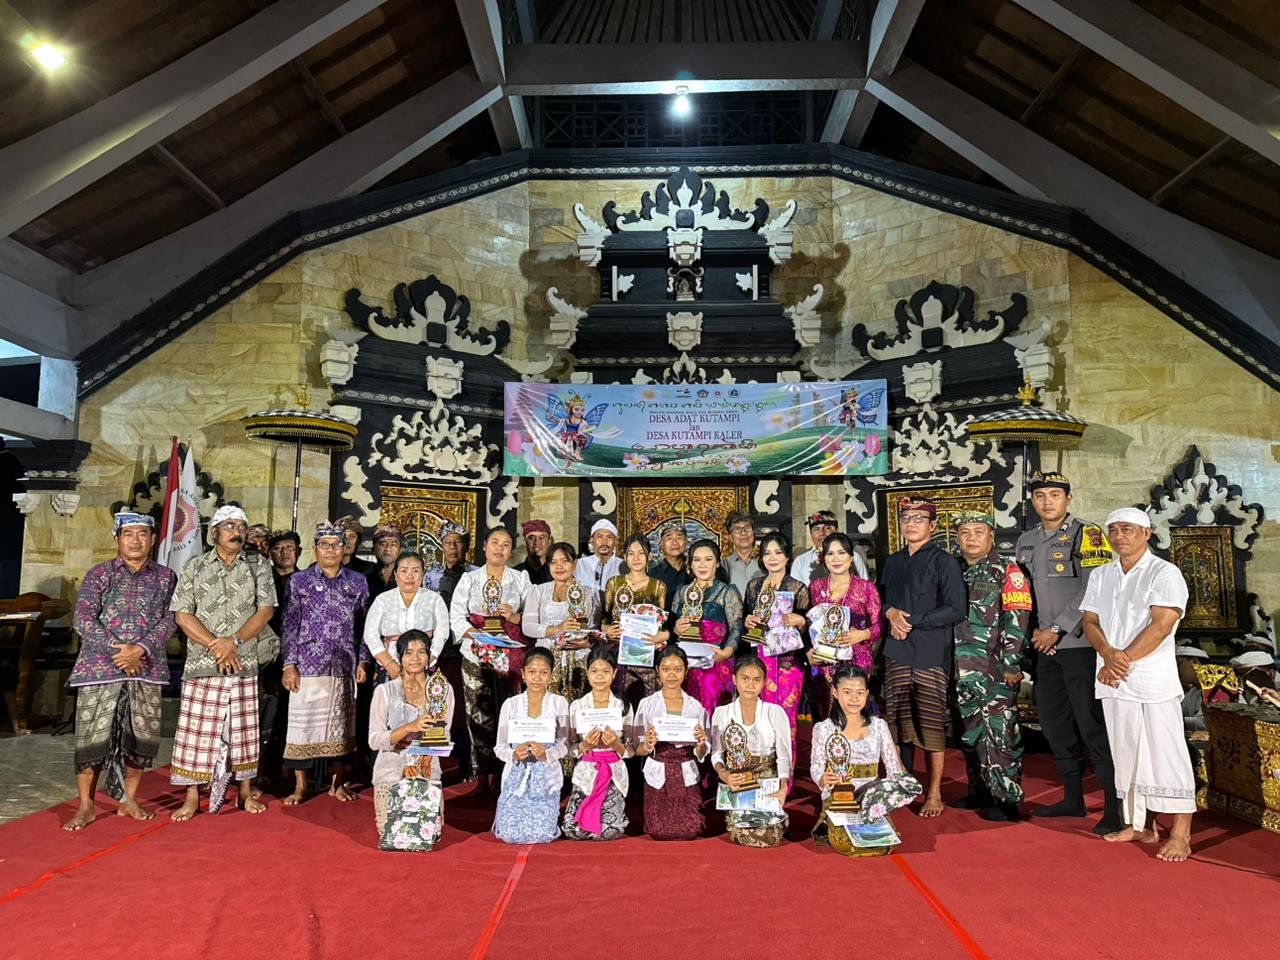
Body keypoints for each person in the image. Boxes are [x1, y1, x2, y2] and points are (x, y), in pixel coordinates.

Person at [1082, 507, 1196, 862]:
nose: (1119, 535)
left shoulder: (1165, 572)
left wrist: (1120, 660)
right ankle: (1141, 825)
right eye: (1113, 529)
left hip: (1151, 680)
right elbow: (1090, 620)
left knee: (1167, 753)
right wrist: (1107, 654)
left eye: (1127, 529)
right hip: (1113, 680)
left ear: (1146, 533)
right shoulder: (1101, 574)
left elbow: (1161, 625)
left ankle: (1181, 834)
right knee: (1126, 753)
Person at [1015, 471, 1120, 833]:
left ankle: (1114, 807)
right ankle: (1072, 798)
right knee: (1055, 723)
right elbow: (1023, 591)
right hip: (1044, 648)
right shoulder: (1026, 540)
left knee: (1092, 724)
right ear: (1033, 501)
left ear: (1068, 499)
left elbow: (1095, 587)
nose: (1047, 502)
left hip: (1080, 645)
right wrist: (1033, 633)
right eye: (1040, 495)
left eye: (1055, 495)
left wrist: (1057, 629)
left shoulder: (1087, 534)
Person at [64, 512, 177, 831]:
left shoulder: (166, 577)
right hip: (99, 669)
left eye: (143, 534)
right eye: (128, 534)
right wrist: (120, 651)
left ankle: (129, 800)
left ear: (153, 540)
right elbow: (83, 618)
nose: (136, 540)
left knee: (140, 740)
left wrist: (140, 649)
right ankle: (86, 806)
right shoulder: (100, 573)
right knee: (91, 741)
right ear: (117, 539)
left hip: (145, 668)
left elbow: (172, 618)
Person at [169, 505, 276, 820]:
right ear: (213, 532)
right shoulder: (195, 566)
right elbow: (182, 614)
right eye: (229, 526)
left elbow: (265, 610)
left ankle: (244, 793)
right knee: (197, 733)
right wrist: (217, 645)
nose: (236, 532)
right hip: (203, 662)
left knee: (244, 731)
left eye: (241, 527)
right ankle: (192, 797)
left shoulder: (258, 565)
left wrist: (235, 643)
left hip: (243, 661)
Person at [880, 498, 965, 818]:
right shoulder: (893, 561)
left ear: (932, 525)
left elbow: (956, 608)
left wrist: (912, 621)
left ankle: (934, 792)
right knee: (896, 722)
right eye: (906, 518)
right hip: (897, 650)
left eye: (919, 518)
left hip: (930, 651)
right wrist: (890, 612)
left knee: (931, 724)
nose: (911, 523)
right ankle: (900, 785)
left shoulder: (945, 562)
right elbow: (880, 598)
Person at [280, 521, 370, 805]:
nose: (330, 550)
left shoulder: (357, 581)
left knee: (341, 727)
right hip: (307, 664)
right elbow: (289, 625)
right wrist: (289, 664)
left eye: (336, 544)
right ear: (315, 548)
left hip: (344, 664)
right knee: (303, 726)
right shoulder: (300, 581)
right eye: (324, 545)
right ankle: (300, 786)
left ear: (344, 548)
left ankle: (337, 784)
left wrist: (363, 660)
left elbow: (364, 626)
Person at [952, 511, 1031, 822]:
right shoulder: (953, 569)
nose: (971, 538)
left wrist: (1012, 664)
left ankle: (1007, 799)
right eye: (965, 532)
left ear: (991, 536)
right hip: (959, 668)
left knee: (999, 734)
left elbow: (1017, 621)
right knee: (969, 733)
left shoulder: (1008, 572)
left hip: (994, 669)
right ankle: (981, 791)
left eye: (978, 531)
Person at [450, 526, 531, 794]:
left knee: (508, 713)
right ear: (484, 546)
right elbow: (456, 615)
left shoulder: (520, 579)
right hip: (476, 653)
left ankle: (507, 773)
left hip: (510, 656)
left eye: (506, 544)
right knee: (478, 713)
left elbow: (533, 615)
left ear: (511, 550)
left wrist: (515, 617)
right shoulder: (470, 579)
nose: (500, 548)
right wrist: (477, 635)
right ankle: (482, 775)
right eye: (495, 542)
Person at [810, 665, 922, 855]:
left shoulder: (879, 726)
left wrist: (895, 789)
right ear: (835, 692)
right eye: (847, 692)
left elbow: (894, 769)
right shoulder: (823, 729)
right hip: (838, 799)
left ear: (867, 694)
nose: (854, 698)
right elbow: (816, 766)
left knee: (880, 844)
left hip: (873, 799)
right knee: (850, 845)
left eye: (860, 693)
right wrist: (822, 778)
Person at [368, 630, 455, 841]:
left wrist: (426, 744)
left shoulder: (442, 690)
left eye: (421, 652)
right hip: (391, 769)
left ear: (429, 656)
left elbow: (444, 735)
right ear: (399, 657)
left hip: (426, 769)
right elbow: (374, 740)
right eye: (408, 653)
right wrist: (409, 728)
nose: (415, 658)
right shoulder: (385, 691)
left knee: (427, 837)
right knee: (393, 835)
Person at [711, 654, 792, 847]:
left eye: (756, 680)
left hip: (767, 780)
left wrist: (783, 787)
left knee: (771, 838)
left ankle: (778, 817)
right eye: (745, 678)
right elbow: (716, 753)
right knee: (744, 833)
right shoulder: (722, 713)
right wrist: (724, 774)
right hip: (738, 781)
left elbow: (783, 756)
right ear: (734, 679)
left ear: (764, 683)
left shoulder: (775, 712)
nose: (750, 685)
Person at [741, 533, 809, 763]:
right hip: (759, 661)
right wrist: (748, 621)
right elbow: (745, 622)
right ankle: (759, 769)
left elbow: (809, 630)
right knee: (757, 715)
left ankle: (785, 774)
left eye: (778, 552)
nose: (772, 558)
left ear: (787, 556)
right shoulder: (753, 586)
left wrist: (800, 621)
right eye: (767, 553)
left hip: (788, 663)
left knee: (785, 718)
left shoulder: (798, 588)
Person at [493, 647, 570, 844]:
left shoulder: (559, 703)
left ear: (551, 675)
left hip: (546, 776)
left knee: (542, 834)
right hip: (516, 775)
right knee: (509, 835)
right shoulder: (511, 705)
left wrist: (547, 754)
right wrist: (513, 754)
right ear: (523, 673)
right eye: (532, 672)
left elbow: (564, 744)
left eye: (543, 672)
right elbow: (500, 747)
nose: (537, 678)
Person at [633, 645, 710, 840]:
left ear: (686, 671)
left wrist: (700, 744)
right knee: (658, 831)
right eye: (666, 669)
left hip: (686, 769)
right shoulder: (647, 704)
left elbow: (703, 751)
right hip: (658, 769)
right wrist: (648, 744)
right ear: (657, 670)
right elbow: (636, 748)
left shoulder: (696, 707)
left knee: (691, 830)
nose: (672, 675)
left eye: (678, 669)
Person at [807, 532, 880, 723]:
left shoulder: (866, 587)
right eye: (830, 554)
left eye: (841, 553)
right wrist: (809, 651)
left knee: (854, 716)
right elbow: (811, 626)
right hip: (823, 662)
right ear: (824, 558)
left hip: (856, 660)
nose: (836, 559)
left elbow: (879, 625)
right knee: (824, 715)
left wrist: (862, 634)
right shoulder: (815, 587)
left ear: (851, 556)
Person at [562, 646, 632, 840]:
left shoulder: (623, 707)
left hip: (613, 772)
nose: (600, 676)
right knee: (573, 831)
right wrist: (584, 746)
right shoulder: (577, 707)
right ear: (587, 672)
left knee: (609, 832)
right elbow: (567, 746)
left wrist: (616, 745)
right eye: (594, 671)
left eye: (605, 671)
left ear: (614, 673)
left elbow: (633, 748)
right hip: (587, 771)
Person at [426, 521, 476, 779]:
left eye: (458, 542)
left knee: (466, 708)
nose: (453, 547)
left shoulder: (476, 574)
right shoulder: (430, 576)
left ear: (466, 546)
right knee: (439, 704)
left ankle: (468, 763)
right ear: (442, 546)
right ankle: (437, 765)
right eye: (448, 543)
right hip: (440, 652)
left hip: (468, 649)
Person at [523, 542, 601, 704]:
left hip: (579, 659)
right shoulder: (538, 591)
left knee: (579, 707)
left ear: (575, 563)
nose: (559, 566)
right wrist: (557, 628)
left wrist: (587, 642)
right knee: (547, 708)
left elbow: (594, 628)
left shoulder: (588, 593)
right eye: (553, 562)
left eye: (565, 561)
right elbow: (528, 627)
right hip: (546, 659)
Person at [672, 538, 743, 713]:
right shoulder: (681, 592)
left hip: (715, 661)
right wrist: (676, 628)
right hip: (684, 663)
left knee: (710, 703)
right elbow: (671, 627)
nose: (702, 565)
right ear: (690, 564)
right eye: (697, 560)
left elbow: (737, 628)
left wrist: (725, 653)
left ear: (717, 563)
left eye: (708, 559)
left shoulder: (727, 592)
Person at [603, 533, 670, 707]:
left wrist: (660, 636)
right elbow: (603, 620)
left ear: (649, 556)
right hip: (617, 650)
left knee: (648, 701)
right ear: (624, 557)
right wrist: (607, 630)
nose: (636, 558)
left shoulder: (659, 586)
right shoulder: (614, 583)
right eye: (631, 553)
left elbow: (665, 624)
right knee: (618, 702)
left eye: (641, 553)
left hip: (647, 652)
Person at [363, 552, 450, 679]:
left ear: (423, 574)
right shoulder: (382, 600)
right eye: (404, 571)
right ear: (395, 574)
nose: (409, 576)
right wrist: (390, 665)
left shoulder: (434, 599)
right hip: (389, 668)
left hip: (425, 667)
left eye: (415, 571)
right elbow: (370, 636)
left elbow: (442, 633)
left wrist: (425, 663)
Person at [790, 510, 868, 584]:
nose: (822, 533)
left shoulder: (853, 556)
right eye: (816, 529)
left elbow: (866, 587)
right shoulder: (800, 561)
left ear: (836, 530)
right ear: (811, 534)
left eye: (827, 528)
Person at [723, 511, 762, 599]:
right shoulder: (724, 565)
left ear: (753, 533)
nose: (743, 533)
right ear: (730, 537)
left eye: (747, 528)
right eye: (737, 529)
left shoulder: (766, 562)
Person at [575, 518, 621, 592]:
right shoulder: (580, 565)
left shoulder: (623, 565)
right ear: (592, 541)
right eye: (599, 537)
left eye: (609, 537)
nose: (604, 542)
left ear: (615, 541)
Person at [649, 521, 692, 601]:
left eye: (679, 538)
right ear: (661, 543)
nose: (675, 542)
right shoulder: (652, 575)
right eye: (669, 538)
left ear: (686, 541)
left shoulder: (695, 570)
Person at [365, 524, 404, 599]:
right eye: (382, 544)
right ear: (373, 549)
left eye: (393, 544)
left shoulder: (407, 578)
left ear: (400, 550)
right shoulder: (362, 578)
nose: (388, 548)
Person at [516, 519, 554, 586]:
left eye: (541, 538)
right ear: (524, 541)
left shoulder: (558, 573)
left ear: (549, 541)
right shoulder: (514, 574)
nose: (536, 542)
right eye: (531, 538)